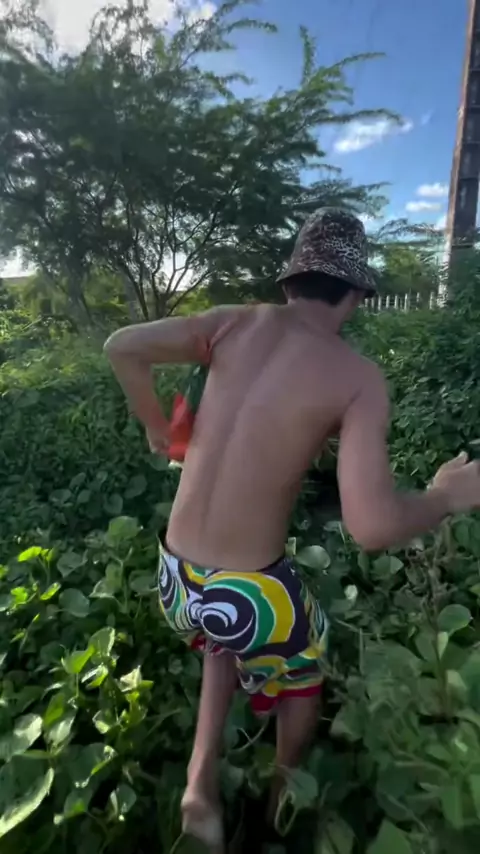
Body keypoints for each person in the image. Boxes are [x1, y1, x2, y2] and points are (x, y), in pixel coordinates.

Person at [104, 208, 480, 853]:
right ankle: (282, 799)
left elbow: (122, 346)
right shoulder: (356, 377)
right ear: (356, 294)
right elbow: (371, 527)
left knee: (222, 632)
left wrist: (157, 429)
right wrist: (446, 497)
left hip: (175, 580)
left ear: (290, 282)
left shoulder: (232, 322)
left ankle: (199, 783)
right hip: (250, 596)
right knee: (304, 665)